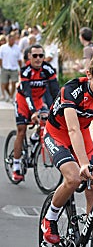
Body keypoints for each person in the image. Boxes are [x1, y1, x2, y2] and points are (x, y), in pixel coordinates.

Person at [40, 53, 93, 244]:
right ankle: (50, 217)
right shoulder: (72, 90)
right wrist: (84, 163)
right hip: (57, 133)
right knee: (73, 178)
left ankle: (91, 234)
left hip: (84, 133)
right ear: (89, 74)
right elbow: (72, 129)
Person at [12, 44, 59, 181]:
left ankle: (34, 139)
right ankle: (16, 165)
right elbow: (27, 93)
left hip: (38, 99)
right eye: (35, 56)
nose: (38, 59)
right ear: (29, 57)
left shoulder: (48, 69)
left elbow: (54, 91)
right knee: (21, 130)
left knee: (45, 120)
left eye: (41, 55)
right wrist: (33, 112)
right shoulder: (25, 71)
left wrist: (57, 109)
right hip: (23, 101)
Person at [0, 32, 22, 102]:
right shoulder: (3, 48)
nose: (12, 41)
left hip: (14, 68)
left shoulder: (17, 48)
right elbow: (0, 58)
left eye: (13, 40)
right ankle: (7, 94)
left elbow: (19, 59)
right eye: (10, 40)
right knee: (5, 83)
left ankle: (11, 96)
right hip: (5, 67)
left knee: (13, 82)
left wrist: (20, 68)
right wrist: (1, 66)